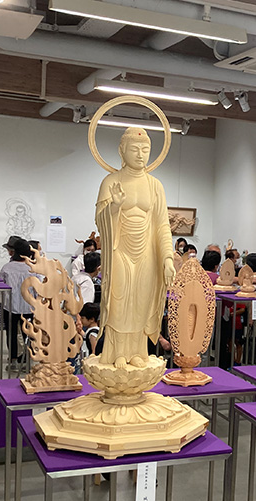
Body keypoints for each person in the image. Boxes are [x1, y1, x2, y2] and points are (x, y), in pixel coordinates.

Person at [95, 126, 175, 368]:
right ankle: (117, 351)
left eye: (145, 149)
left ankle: (137, 351)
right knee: (119, 300)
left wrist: (168, 258)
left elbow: (162, 225)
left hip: (146, 253)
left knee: (141, 301)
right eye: (134, 149)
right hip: (120, 250)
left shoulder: (155, 185)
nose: (140, 154)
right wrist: (114, 207)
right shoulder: (111, 181)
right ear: (122, 151)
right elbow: (100, 221)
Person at [0, 239, 36, 362]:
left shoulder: (7, 268)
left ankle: (13, 357)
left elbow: (1, 285)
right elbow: (38, 288)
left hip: (10, 306)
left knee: (11, 333)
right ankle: (26, 357)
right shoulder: (33, 268)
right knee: (28, 332)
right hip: (29, 306)